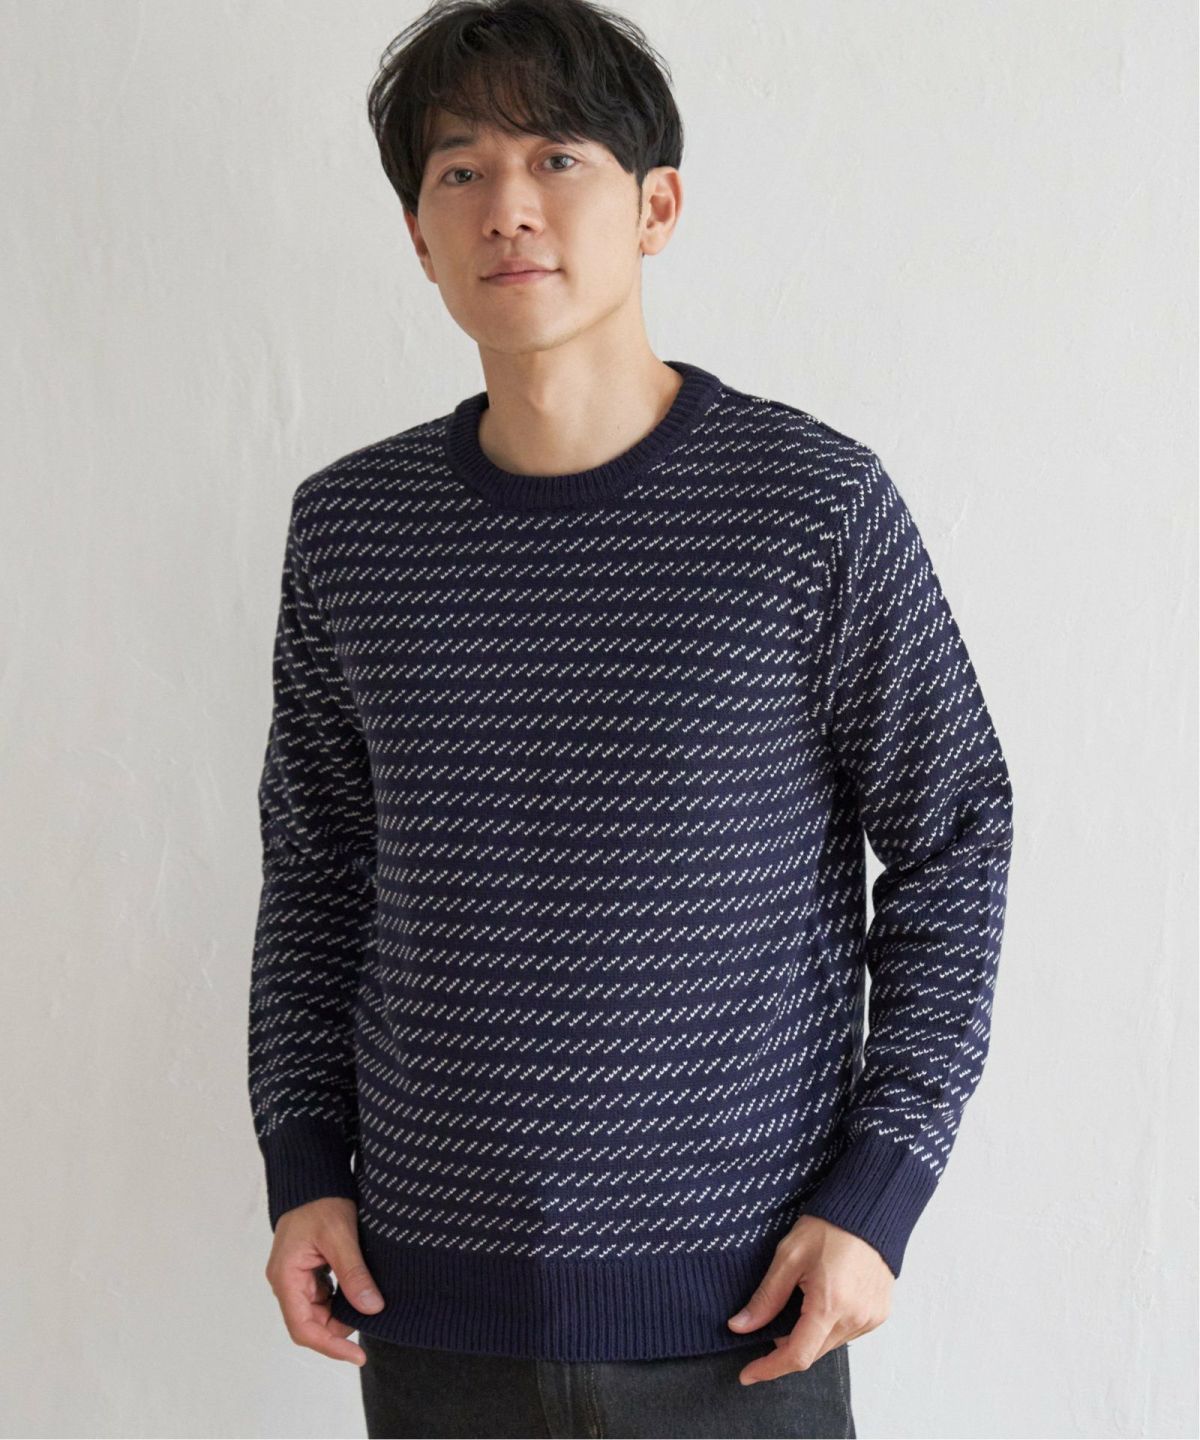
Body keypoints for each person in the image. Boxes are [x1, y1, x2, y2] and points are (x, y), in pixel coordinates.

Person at [247, 1, 1014, 1435]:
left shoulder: (811, 508)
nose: (508, 206)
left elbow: (956, 839)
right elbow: (316, 872)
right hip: (430, 1307)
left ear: (657, 206)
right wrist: (302, 1167)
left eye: (558, 157)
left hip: (745, 1313)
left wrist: (880, 1193)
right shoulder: (351, 529)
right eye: (461, 170)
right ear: (417, 235)